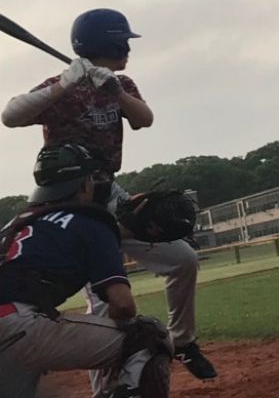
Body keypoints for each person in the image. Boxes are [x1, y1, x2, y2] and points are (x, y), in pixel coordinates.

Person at [0, 9, 217, 384]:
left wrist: (114, 90)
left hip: (110, 191)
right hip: (71, 199)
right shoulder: (62, 86)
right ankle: (106, 390)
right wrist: (65, 85)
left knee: (182, 258)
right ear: (107, 43)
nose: (128, 50)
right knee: (105, 303)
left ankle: (183, 341)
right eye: (123, 43)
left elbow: (144, 119)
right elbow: (10, 115)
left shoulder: (121, 84)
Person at [0, 143, 172, 398]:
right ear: (84, 185)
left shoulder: (17, 223)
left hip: (14, 326)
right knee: (148, 337)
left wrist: (123, 228)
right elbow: (123, 305)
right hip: (17, 325)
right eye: (92, 178)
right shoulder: (91, 222)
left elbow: (64, 237)